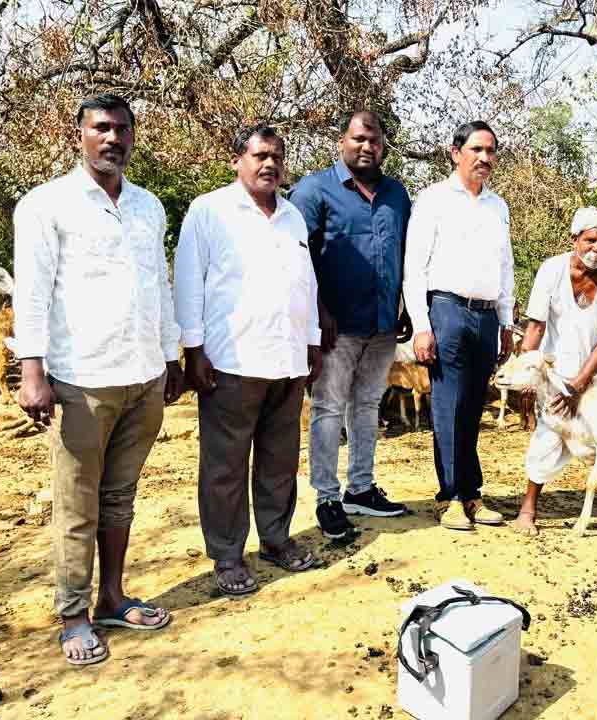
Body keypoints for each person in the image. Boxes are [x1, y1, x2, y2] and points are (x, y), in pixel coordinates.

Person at [13, 93, 184, 666]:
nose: (112, 138)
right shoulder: (47, 205)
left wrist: (171, 356)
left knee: (120, 499)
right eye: (101, 128)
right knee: (77, 503)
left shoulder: (147, 207)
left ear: (133, 137)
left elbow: (158, 285)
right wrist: (31, 371)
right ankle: (73, 615)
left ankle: (112, 596)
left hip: (142, 377)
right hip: (83, 379)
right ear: (79, 136)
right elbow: (32, 295)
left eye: (122, 129)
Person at [173, 123, 321, 597]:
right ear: (237, 160)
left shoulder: (293, 216)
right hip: (230, 359)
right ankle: (228, 555)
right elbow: (189, 282)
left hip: (287, 358)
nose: (269, 164)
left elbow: (307, 283)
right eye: (260, 155)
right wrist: (192, 349)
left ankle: (276, 540)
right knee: (225, 465)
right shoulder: (210, 210)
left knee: (280, 460)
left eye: (277, 156)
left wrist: (312, 341)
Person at [290, 111, 411, 541]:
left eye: (374, 141)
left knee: (367, 407)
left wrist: (406, 308)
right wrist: (316, 316)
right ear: (342, 141)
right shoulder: (314, 189)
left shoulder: (397, 193)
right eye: (359, 139)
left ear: (382, 146)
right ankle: (327, 496)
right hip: (335, 326)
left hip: (381, 324)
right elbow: (295, 255)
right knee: (327, 409)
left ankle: (361, 487)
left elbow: (406, 256)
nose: (367, 147)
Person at [403, 120, 515, 530]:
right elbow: (414, 267)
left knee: (472, 407)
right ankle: (450, 495)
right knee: (448, 405)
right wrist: (421, 324)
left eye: (491, 151)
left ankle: (472, 494)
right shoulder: (432, 200)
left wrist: (506, 320)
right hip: (446, 309)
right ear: (456, 153)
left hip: (487, 314)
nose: (485, 158)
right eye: (477, 150)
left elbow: (506, 267)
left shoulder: (498, 206)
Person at [511, 207, 597, 536]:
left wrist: (580, 385)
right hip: (555, 371)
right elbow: (535, 327)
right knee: (548, 434)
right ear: (575, 239)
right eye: (590, 240)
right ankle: (528, 509)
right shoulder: (551, 270)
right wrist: (528, 378)